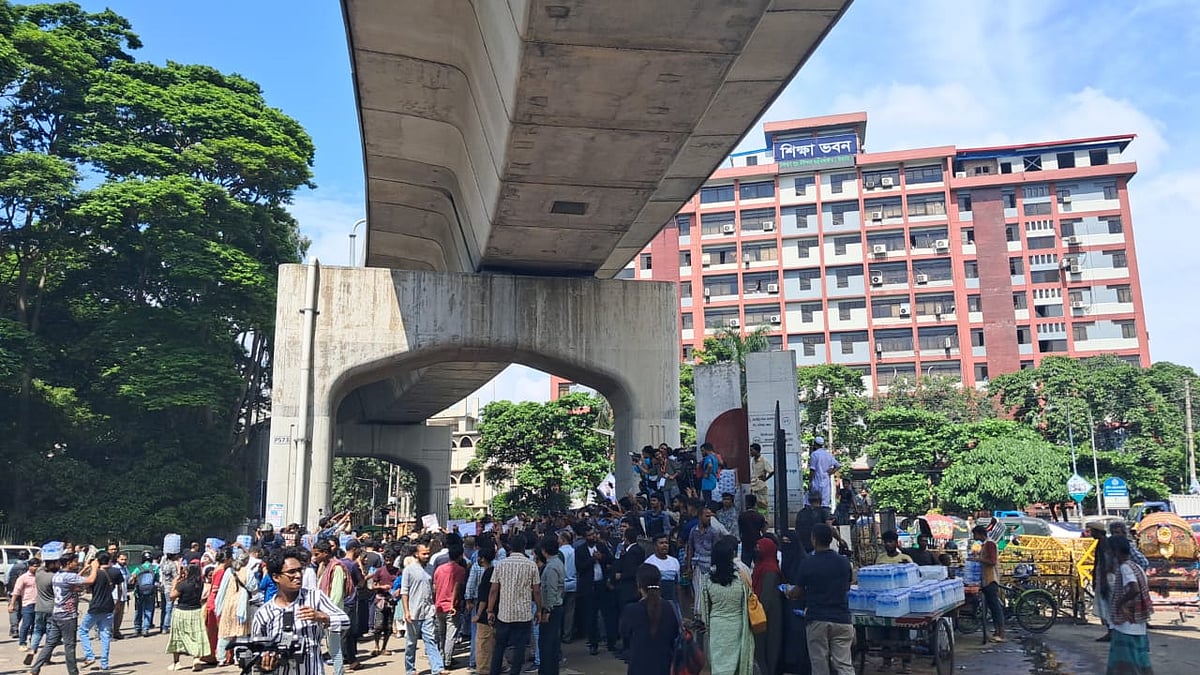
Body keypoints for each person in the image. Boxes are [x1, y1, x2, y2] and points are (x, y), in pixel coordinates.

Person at [250, 547, 349, 675]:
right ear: (276, 577)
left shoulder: (315, 598)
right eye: (291, 572)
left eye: (299, 570)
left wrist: (322, 617)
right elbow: (256, 651)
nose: (298, 575)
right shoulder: (264, 614)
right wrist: (265, 662)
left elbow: (345, 621)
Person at [786, 524, 853, 675]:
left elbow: (798, 591)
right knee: (843, 664)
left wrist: (789, 593)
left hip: (817, 619)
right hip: (842, 619)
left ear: (814, 539)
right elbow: (848, 586)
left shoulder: (808, 563)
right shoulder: (843, 562)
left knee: (819, 663)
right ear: (830, 540)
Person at [30, 542, 101, 675]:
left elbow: (74, 581)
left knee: (50, 643)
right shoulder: (68, 576)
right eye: (75, 562)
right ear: (69, 563)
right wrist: (94, 568)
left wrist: (84, 569)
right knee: (69, 645)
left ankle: (35, 669)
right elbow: (90, 580)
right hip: (67, 616)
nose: (76, 563)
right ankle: (73, 672)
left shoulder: (58, 576)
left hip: (57, 613)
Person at [487, 532, 543, 675]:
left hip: (504, 613)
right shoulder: (531, 565)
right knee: (520, 647)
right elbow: (536, 591)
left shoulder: (500, 565)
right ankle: (515, 672)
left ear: (510, 547)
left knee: (499, 646)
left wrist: (490, 610)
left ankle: (494, 672)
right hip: (523, 613)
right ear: (524, 547)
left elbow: (493, 590)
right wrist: (539, 610)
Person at [698, 536, 755, 675]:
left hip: (717, 627)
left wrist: (707, 625)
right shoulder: (740, 579)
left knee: (720, 664)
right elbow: (748, 599)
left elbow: (704, 608)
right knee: (737, 664)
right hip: (738, 625)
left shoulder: (707, 580)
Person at [1105, 536, 1154, 675]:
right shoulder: (1136, 566)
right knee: (1140, 659)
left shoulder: (1125, 568)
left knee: (1126, 661)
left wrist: (1121, 604)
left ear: (1115, 552)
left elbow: (1134, 589)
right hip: (1137, 621)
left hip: (1126, 622)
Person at [618, 565, 679, 675]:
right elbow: (674, 634)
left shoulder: (631, 610)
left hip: (638, 667)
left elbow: (624, 633)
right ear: (659, 583)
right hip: (665, 667)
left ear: (639, 585)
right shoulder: (670, 608)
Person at [401, 543, 444, 675]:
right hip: (413, 612)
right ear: (416, 554)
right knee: (411, 643)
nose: (426, 556)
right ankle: (410, 669)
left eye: (427, 553)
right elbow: (404, 592)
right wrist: (406, 611)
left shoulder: (431, 569)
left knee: (430, 640)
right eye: (423, 553)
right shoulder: (408, 570)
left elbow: (433, 588)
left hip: (428, 611)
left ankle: (437, 668)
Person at [79, 552, 122, 672]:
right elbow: (120, 587)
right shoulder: (115, 572)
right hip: (109, 606)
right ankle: (104, 664)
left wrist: (88, 567)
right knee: (105, 634)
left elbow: (82, 583)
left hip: (95, 606)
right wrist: (118, 601)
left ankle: (90, 655)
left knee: (83, 630)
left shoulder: (95, 573)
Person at [573, 527, 613, 656]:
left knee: (607, 613)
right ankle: (593, 643)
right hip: (589, 586)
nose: (593, 537)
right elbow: (579, 567)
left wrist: (602, 557)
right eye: (590, 535)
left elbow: (611, 560)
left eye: (594, 534)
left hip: (602, 584)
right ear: (585, 537)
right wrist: (593, 559)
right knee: (591, 616)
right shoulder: (580, 550)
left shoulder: (601, 546)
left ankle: (610, 641)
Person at [166, 562, 210, 671]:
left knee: (177, 637)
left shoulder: (183, 584)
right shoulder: (200, 584)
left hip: (181, 611)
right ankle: (196, 658)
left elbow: (171, 597)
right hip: (196, 611)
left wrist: (174, 583)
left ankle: (176, 662)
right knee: (196, 636)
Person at [751, 537, 784, 675]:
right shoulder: (760, 566)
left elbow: (767, 598)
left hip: (767, 617)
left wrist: (757, 615)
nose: (756, 550)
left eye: (760, 548)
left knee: (766, 650)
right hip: (760, 615)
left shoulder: (770, 570)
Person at [433, 543, 467, 668]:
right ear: (460, 556)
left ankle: (441, 657)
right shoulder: (460, 570)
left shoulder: (439, 569)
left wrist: (434, 601)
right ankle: (447, 661)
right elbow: (457, 587)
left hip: (439, 605)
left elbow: (434, 587)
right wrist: (453, 604)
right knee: (450, 635)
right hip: (451, 607)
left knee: (441, 634)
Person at [971, 524, 1006, 643]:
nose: (974, 536)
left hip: (991, 580)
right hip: (986, 580)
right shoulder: (985, 545)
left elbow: (992, 561)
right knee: (992, 607)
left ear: (980, 534)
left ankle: (1001, 634)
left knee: (995, 608)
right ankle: (997, 632)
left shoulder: (990, 544)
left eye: (974, 534)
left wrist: (978, 559)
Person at [537, 535, 566, 675]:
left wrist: (546, 610)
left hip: (552, 608)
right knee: (552, 642)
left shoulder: (551, 567)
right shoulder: (557, 563)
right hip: (556, 606)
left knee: (547, 643)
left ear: (544, 551)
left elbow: (551, 590)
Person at [472, 547, 498, 673]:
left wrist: (479, 614)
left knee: (483, 644)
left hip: (486, 614)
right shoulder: (495, 570)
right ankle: (501, 663)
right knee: (493, 642)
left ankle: (482, 669)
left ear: (482, 558)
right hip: (495, 611)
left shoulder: (488, 573)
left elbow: (483, 596)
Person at [9, 556, 38, 653]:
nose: (36, 568)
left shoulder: (40, 576)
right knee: (26, 624)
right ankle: (22, 643)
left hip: (38, 604)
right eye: (34, 566)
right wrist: (12, 604)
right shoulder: (23, 578)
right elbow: (16, 592)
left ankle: (33, 643)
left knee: (36, 625)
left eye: (38, 566)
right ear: (29, 566)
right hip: (27, 604)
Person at [130, 550, 160, 637]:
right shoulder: (155, 568)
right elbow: (157, 580)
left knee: (138, 610)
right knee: (148, 610)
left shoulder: (138, 568)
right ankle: (145, 629)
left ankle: (137, 628)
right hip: (151, 592)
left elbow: (131, 579)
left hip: (139, 592)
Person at [795, 490, 835, 554]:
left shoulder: (801, 513)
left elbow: (797, 530)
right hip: (817, 548)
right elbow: (830, 528)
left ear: (809, 500)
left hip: (802, 548)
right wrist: (840, 540)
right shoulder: (823, 512)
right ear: (820, 500)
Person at [643, 535, 680, 603]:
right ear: (655, 546)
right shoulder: (649, 562)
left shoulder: (674, 562)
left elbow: (677, 585)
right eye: (661, 543)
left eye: (666, 543)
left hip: (672, 602)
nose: (665, 545)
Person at [807, 437, 840, 510]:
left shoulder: (814, 454)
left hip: (816, 481)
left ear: (815, 444)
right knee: (825, 503)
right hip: (825, 481)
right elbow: (838, 465)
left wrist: (810, 482)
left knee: (813, 502)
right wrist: (831, 472)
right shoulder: (828, 454)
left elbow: (812, 470)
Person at [738, 496, 767, 567]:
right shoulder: (760, 516)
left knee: (745, 566)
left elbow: (739, 531)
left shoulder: (742, 516)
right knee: (758, 565)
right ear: (755, 504)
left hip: (746, 543)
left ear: (746, 504)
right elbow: (764, 532)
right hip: (757, 543)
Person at [749, 443, 774, 510]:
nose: (750, 452)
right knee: (755, 507)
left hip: (761, 487)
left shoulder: (763, 460)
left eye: (751, 450)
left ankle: (764, 520)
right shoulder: (753, 461)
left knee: (762, 507)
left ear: (757, 451)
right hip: (754, 486)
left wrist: (765, 478)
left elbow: (771, 471)